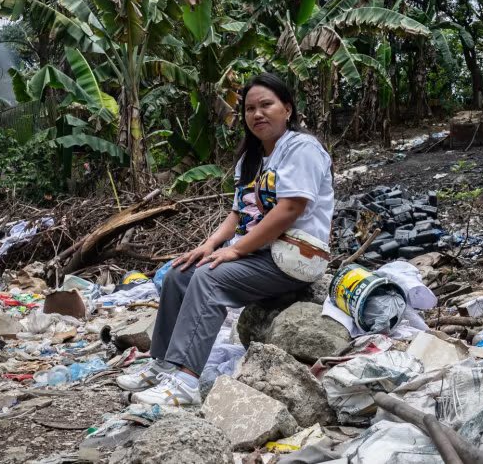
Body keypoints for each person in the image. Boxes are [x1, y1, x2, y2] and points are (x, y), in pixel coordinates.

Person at [116, 72, 334, 405]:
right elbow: (237, 214)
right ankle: (163, 364)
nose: (257, 114)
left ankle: (186, 383)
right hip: (260, 252)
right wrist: (208, 246)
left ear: (287, 108)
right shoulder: (250, 159)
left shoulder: (301, 149)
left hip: (295, 256)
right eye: (249, 108)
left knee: (208, 279)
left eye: (266, 105)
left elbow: (289, 209)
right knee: (179, 272)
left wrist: (237, 251)